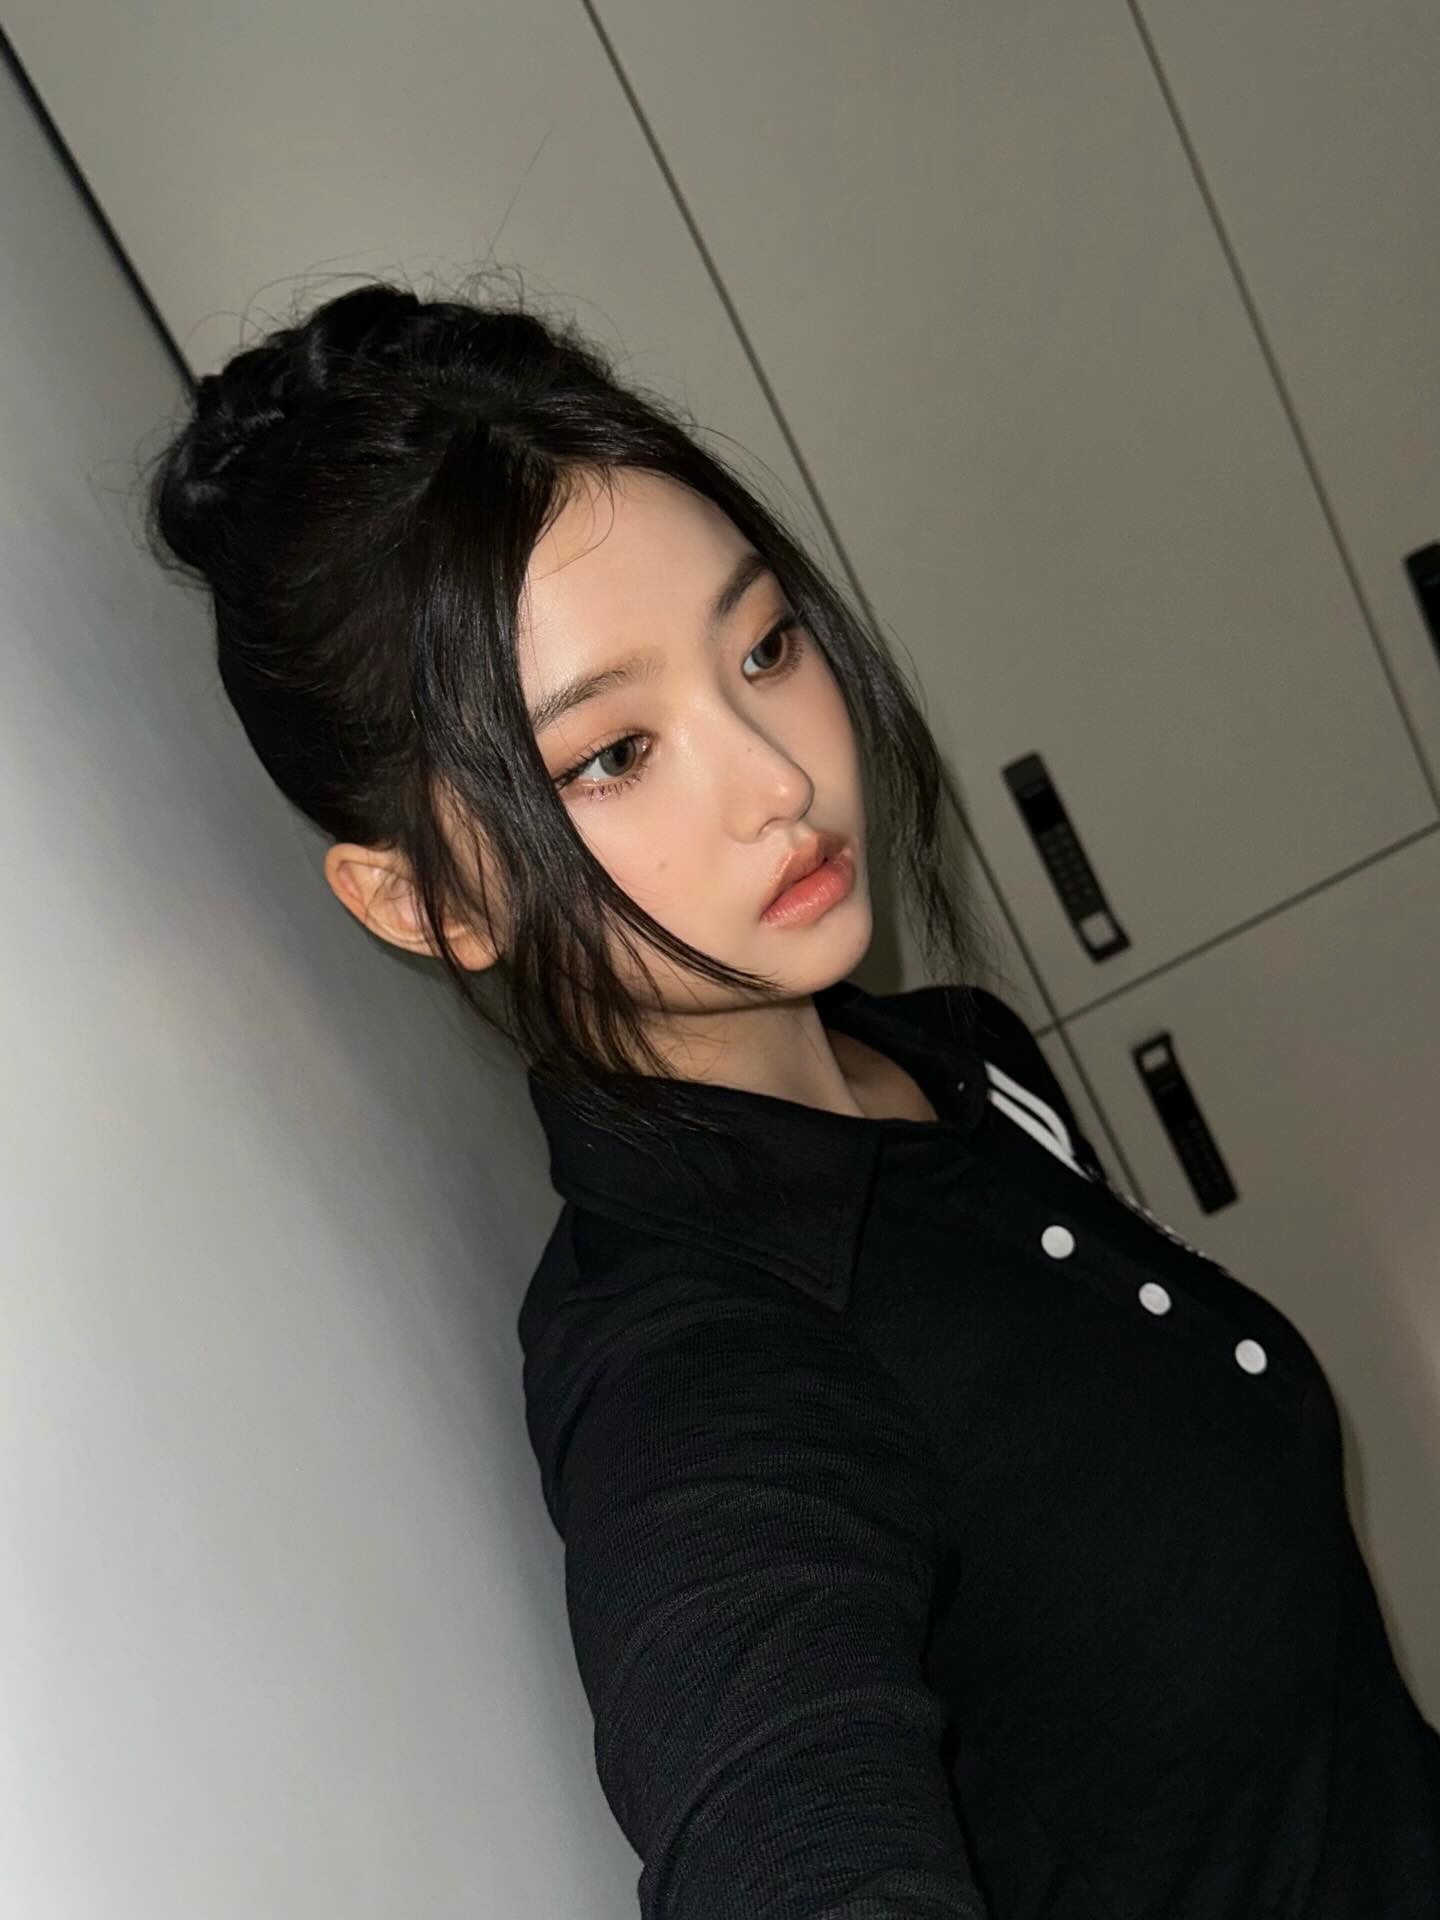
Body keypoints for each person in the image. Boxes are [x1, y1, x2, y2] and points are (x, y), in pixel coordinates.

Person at [143, 275, 1440, 1918]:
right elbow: (771, 1776)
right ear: (427, 903)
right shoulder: (706, 1371)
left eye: (762, 644)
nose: (779, 776)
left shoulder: (952, 1055)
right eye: (613, 754)